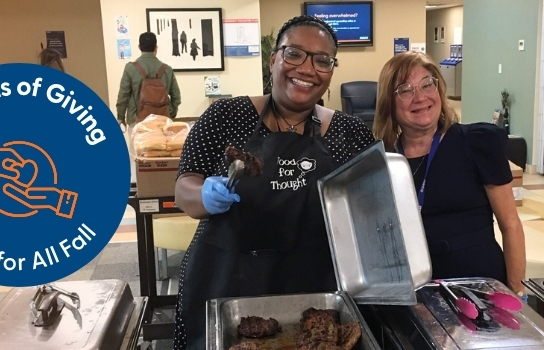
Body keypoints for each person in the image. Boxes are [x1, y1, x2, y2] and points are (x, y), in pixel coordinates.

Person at [171, 15, 375, 350]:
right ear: (273, 60)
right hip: (227, 278)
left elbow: (368, 211)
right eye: (294, 54)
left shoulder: (350, 134)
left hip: (313, 287)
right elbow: (184, 188)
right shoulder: (224, 117)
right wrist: (203, 195)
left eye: (322, 60)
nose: (307, 69)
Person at [373, 51, 527, 296]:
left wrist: (517, 290)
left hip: (478, 288)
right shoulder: (383, 160)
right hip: (413, 292)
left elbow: (510, 224)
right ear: (389, 103)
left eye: (427, 84)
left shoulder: (476, 143)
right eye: (405, 90)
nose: (420, 97)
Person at [116, 32, 182, 177]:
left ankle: (141, 188)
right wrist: (169, 114)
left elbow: (123, 95)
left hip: (137, 121)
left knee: (137, 160)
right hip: (162, 122)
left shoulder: (130, 68)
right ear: (156, 48)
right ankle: (159, 187)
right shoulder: (167, 69)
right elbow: (176, 97)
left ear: (139, 47)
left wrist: (121, 117)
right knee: (162, 158)